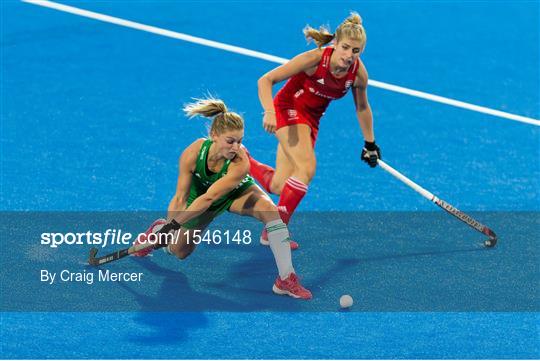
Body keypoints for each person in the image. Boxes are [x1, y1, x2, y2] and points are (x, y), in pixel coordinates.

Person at [133, 96, 311, 300]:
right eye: (230, 141)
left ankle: (286, 279)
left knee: (271, 212)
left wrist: (174, 224)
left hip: (231, 193)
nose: (236, 147)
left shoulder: (240, 162)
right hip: (198, 198)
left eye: (240, 141)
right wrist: (169, 226)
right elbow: (180, 196)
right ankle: (156, 231)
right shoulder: (193, 153)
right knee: (179, 252)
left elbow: (212, 198)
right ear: (214, 135)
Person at [247, 12, 381, 246]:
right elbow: (265, 80)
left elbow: (362, 107)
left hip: (310, 120)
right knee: (306, 167)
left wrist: (370, 144)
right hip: (286, 109)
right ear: (335, 44)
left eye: (356, 51)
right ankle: (275, 230)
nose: (349, 55)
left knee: (280, 185)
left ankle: (243, 160)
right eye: (346, 48)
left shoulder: (358, 74)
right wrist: (269, 112)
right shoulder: (315, 59)